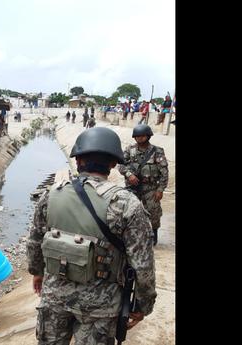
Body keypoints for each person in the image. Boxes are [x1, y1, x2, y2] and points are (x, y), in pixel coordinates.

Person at [27, 127, 157, 345]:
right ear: (113, 164)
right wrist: (143, 306)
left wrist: (37, 272)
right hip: (101, 308)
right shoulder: (128, 205)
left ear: (78, 161)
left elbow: (35, 241)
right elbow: (143, 266)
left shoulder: (51, 195)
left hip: (54, 298)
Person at [118, 124, 169, 245]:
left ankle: (153, 235)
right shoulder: (129, 150)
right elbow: (121, 165)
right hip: (133, 186)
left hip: (150, 187)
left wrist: (160, 189)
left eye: (142, 136)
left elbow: (164, 172)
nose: (139, 138)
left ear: (148, 136)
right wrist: (129, 174)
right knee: (127, 210)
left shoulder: (157, 151)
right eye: (137, 136)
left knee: (153, 211)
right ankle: (128, 234)